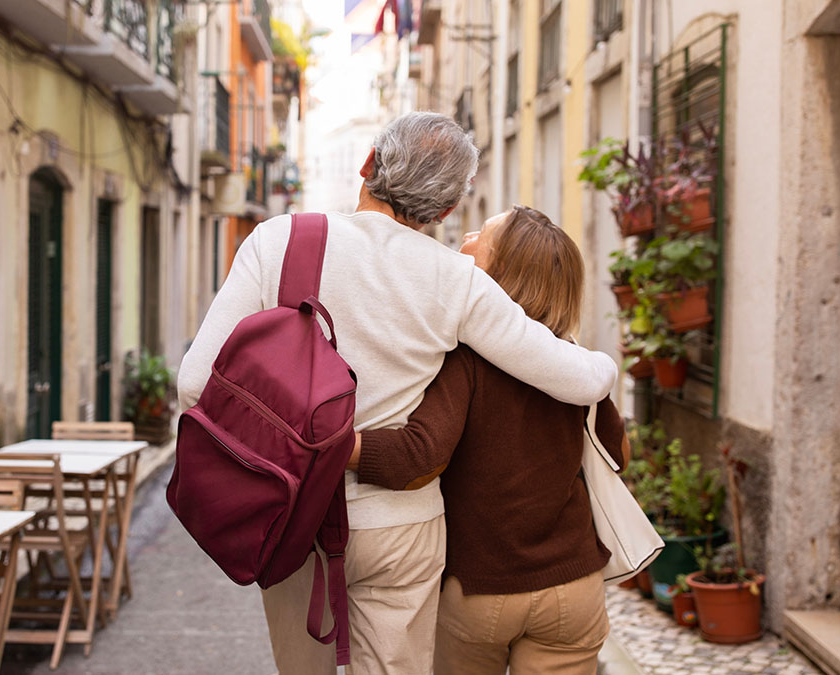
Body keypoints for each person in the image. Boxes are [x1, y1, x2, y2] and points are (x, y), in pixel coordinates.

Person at [177, 113, 618, 674]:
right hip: (400, 526)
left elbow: (195, 384)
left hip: (291, 511)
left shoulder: (280, 240)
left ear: (367, 164)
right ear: (447, 210)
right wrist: (603, 364)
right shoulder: (458, 282)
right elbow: (577, 379)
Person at [350, 205, 630, 675]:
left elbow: (418, 457)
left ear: (495, 273)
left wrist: (324, 445)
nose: (468, 236)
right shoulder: (574, 363)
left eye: (484, 234)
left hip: (481, 589)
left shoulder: (465, 361)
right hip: (575, 586)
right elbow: (617, 454)